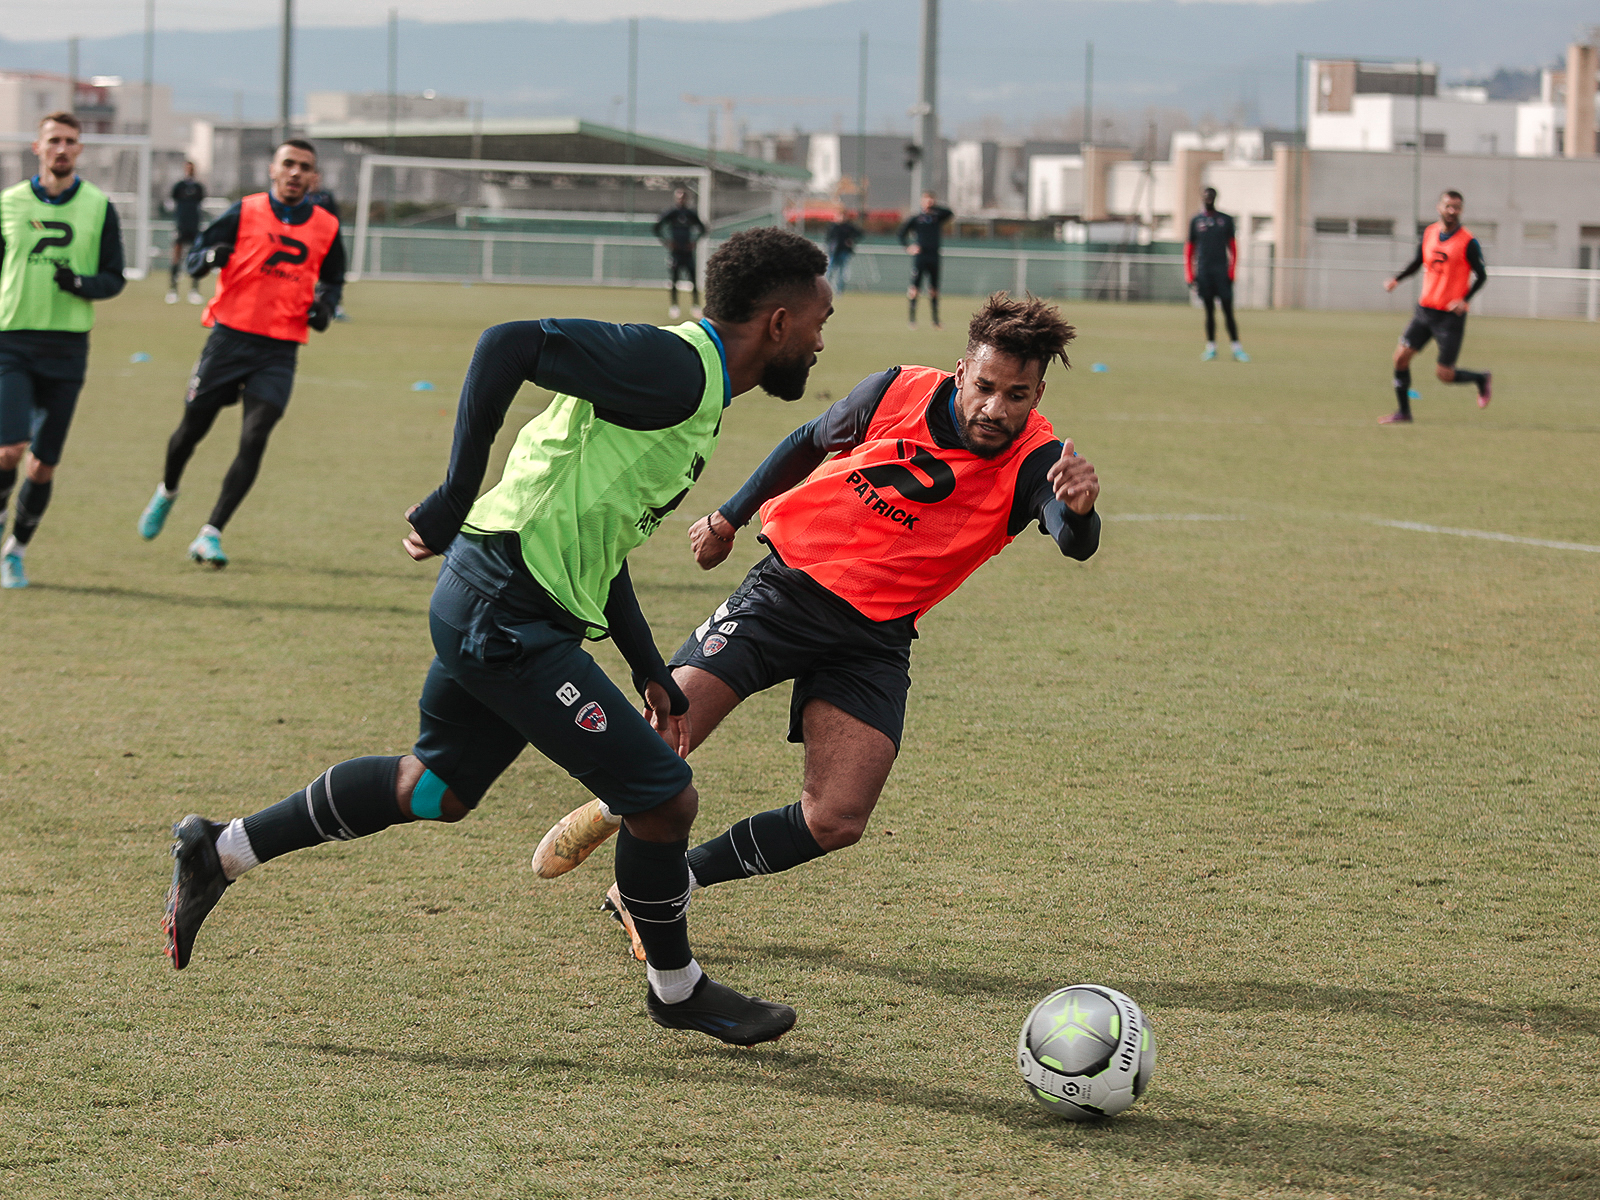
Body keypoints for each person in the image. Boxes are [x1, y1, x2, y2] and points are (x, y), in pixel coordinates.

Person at [162, 227, 834, 1048]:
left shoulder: (697, 392)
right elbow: (507, 343)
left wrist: (648, 665)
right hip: (506, 611)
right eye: (817, 321)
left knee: (435, 788)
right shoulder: (679, 365)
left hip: (504, 605)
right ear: (776, 323)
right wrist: (454, 492)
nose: (820, 340)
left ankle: (219, 851)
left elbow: (601, 528)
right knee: (663, 799)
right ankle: (677, 988)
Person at [530, 293, 1101, 967]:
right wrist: (728, 518)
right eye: (985, 387)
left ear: (1037, 392)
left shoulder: (1040, 457)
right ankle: (613, 807)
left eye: (1018, 395)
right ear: (960, 372)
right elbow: (807, 442)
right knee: (665, 739)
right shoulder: (895, 391)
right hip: (786, 591)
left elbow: (1071, 539)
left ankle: (666, 883)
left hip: (875, 636)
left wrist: (1079, 511)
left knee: (836, 818)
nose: (996, 408)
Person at [136, 139, 344, 568]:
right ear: (272, 169)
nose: (295, 173)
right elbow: (196, 258)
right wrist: (211, 256)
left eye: (304, 167)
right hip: (229, 340)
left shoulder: (326, 225)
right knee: (190, 432)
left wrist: (324, 306)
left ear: (313, 177)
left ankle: (210, 534)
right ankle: (168, 491)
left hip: (280, 348)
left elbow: (334, 279)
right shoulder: (245, 211)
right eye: (288, 164)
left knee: (255, 435)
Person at [0, 111, 125, 590]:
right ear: (37, 147)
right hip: (11, 340)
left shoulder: (98, 207)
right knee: (9, 449)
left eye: (71, 141)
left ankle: (17, 550)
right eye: (54, 140)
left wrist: (79, 284)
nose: (62, 149)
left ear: (80, 151)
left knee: (43, 463)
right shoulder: (9, 203)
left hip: (68, 348)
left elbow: (114, 278)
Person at [1380, 190, 1490, 425]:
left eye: (1457, 207)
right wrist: (1396, 279)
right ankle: (1404, 412)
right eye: (1448, 206)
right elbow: (1417, 261)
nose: (1452, 211)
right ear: (1439, 207)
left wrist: (1465, 299)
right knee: (1400, 359)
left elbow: (1482, 275)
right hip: (1425, 311)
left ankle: (1481, 379)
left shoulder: (1467, 241)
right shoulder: (1429, 233)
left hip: (1450, 317)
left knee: (1444, 375)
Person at [1186, 187, 1247, 362]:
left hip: (1222, 273)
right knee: (1209, 311)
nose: (1208, 199)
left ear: (1215, 198)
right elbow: (1189, 248)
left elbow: (1233, 248)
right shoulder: (1196, 221)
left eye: (1211, 196)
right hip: (1204, 273)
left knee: (1228, 311)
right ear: (1202, 198)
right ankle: (1211, 347)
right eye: (1206, 196)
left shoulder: (1225, 220)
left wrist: (1232, 272)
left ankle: (1236, 348)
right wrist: (1189, 274)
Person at [897, 191, 953, 329]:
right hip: (920, 257)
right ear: (921, 201)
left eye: (931, 200)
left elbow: (950, 212)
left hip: (934, 256)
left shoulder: (937, 217)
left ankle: (935, 320)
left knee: (934, 289)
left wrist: (934, 207)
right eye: (926, 200)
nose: (929, 202)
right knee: (915, 288)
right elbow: (901, 233)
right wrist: (908, 247)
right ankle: (912, 319)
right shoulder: (916, 219)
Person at [652, 188, 707, 320]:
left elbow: (703, 229)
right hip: (675, 254)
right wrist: (667, 241)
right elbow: (656, 228)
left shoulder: (690, 214)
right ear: (676, 199)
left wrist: (694, 241)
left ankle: (695, 306)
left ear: (686, 199)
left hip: (688, 253)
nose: (681, 200)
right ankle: (674, 306)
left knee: (693, 280)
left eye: (683, 197)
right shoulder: (671, 213)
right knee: (674, 280)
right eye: (679, 197)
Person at [166, 161, 205, 305]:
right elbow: (172, 204)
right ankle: (173, 290)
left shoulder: (198, 187)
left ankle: (194, 291)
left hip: (194, 227)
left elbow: (200, 205)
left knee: (196, 257)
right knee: (176, 256)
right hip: (181, 226)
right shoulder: (179, 187)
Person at [825, 210, 863, 293]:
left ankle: (839, 290)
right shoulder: (833, 227)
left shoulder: (848, 227)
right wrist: (830, 246)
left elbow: (860, 234)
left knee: (842, 271)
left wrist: (852, 240)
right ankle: (826, 289)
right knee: (830, 270)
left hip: (844, 251)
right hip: (834, 252)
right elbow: (828, 238)